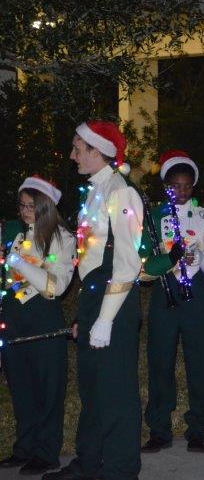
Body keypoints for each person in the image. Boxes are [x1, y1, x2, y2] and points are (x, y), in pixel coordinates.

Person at [45, 121, 144, 480]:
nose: (72, 155)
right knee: (92, 388)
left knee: (116, 391)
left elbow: (127, 262)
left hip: (115, 300)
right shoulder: (96, 190)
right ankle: (89, 462)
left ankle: (119, 469)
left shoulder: (121, 192)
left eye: (78, 148)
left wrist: (105, 319)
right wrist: (86, 315)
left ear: (97, 151)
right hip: (94, 296)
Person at [139, 150, 204, 454]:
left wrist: (201, 257)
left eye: (187, 185)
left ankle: (197, 427)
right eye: (175, 186)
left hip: (196, 296)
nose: (182, 191)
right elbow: (142, 269)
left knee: (198, 363)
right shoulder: (153, 217)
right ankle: (159, 428)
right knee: (160, 363)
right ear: (166, 186)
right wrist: (168, 259)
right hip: (165, 294)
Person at [0, 177, 75, 475]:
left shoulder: (62, 239)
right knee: (21, 387)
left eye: (31, 206)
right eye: (21, 205)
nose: (25, 211)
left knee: (47, 390)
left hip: (43, 318)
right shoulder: (18, 235)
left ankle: (46, 453)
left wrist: (18, 262)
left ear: (45, 207)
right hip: (14, 317)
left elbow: (55, 287)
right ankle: (25, 448)